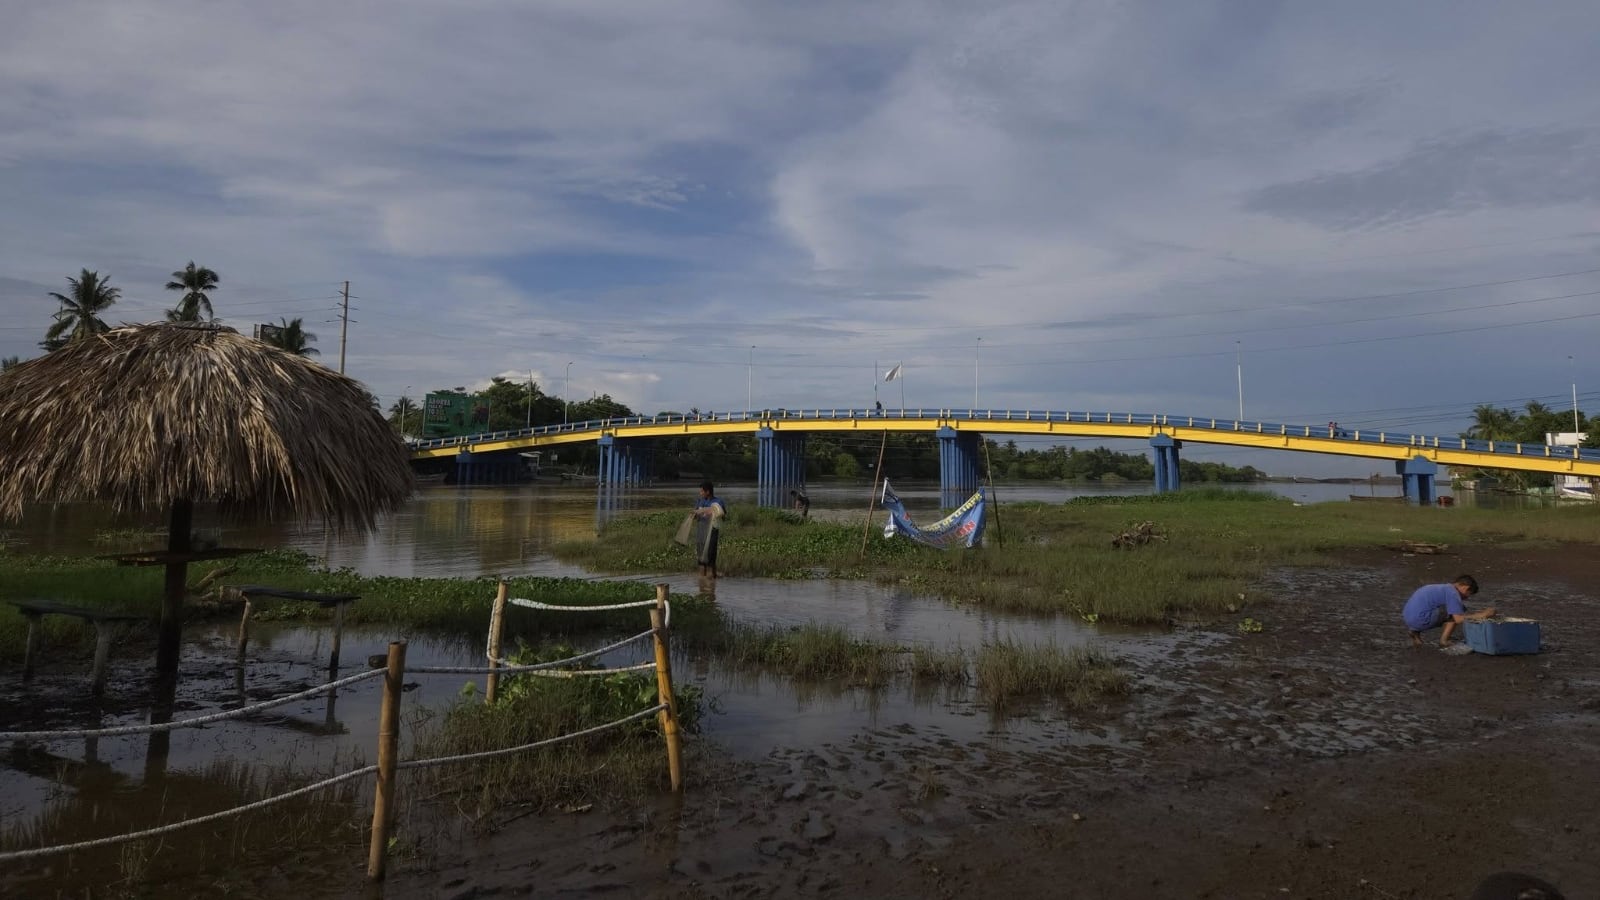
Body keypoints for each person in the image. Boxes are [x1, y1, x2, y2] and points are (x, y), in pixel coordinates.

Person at [1402, 574, 1495, 648]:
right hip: (1420, 619)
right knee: (1457, 610)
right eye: (1468, 594)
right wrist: (1482, 615)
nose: (1466, 598)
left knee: (1448, 608)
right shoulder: (1453, 593)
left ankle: (1415, 633)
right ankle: (1444, 641)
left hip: (1408, 618)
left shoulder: (1441, 588)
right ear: (1465, 588)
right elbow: (1458, 619)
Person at [691, 480, 727, 578]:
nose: (700, 493)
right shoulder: (700, 501)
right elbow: (695, 516)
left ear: (708, 492)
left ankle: (711, 583)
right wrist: (694, 514)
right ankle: (702, 583)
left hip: (712, 533)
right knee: (701, 559)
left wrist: (711, 512)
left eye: (702, 491)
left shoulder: (718, 502)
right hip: (701, 533)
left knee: (710, 557)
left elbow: (723, 516)